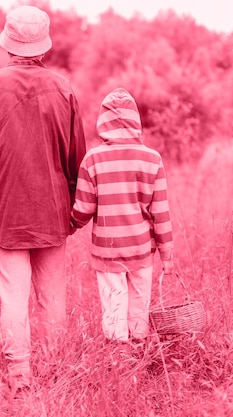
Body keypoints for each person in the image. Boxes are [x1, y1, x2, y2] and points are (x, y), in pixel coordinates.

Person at [0, 5, 86, 394]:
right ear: (43, 46)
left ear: (9, 43)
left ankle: (20, 376)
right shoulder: (64, 89)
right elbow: (76, 162)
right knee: (52, 296)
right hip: (54, 211)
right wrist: (75, 213)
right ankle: (53, 370)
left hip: (4, 213)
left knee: (12, 296)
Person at [70, 88, 174, 346]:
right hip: (141, 250)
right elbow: (160, 212)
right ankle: (139, 345)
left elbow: (83, 208)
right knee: (139, 301)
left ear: (103, 121)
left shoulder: (92, 159)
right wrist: (167, 255)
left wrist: (72, 223)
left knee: (114, 301)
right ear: (135, 121)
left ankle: (119, 354)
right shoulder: (152, 159)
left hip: (108, 250)